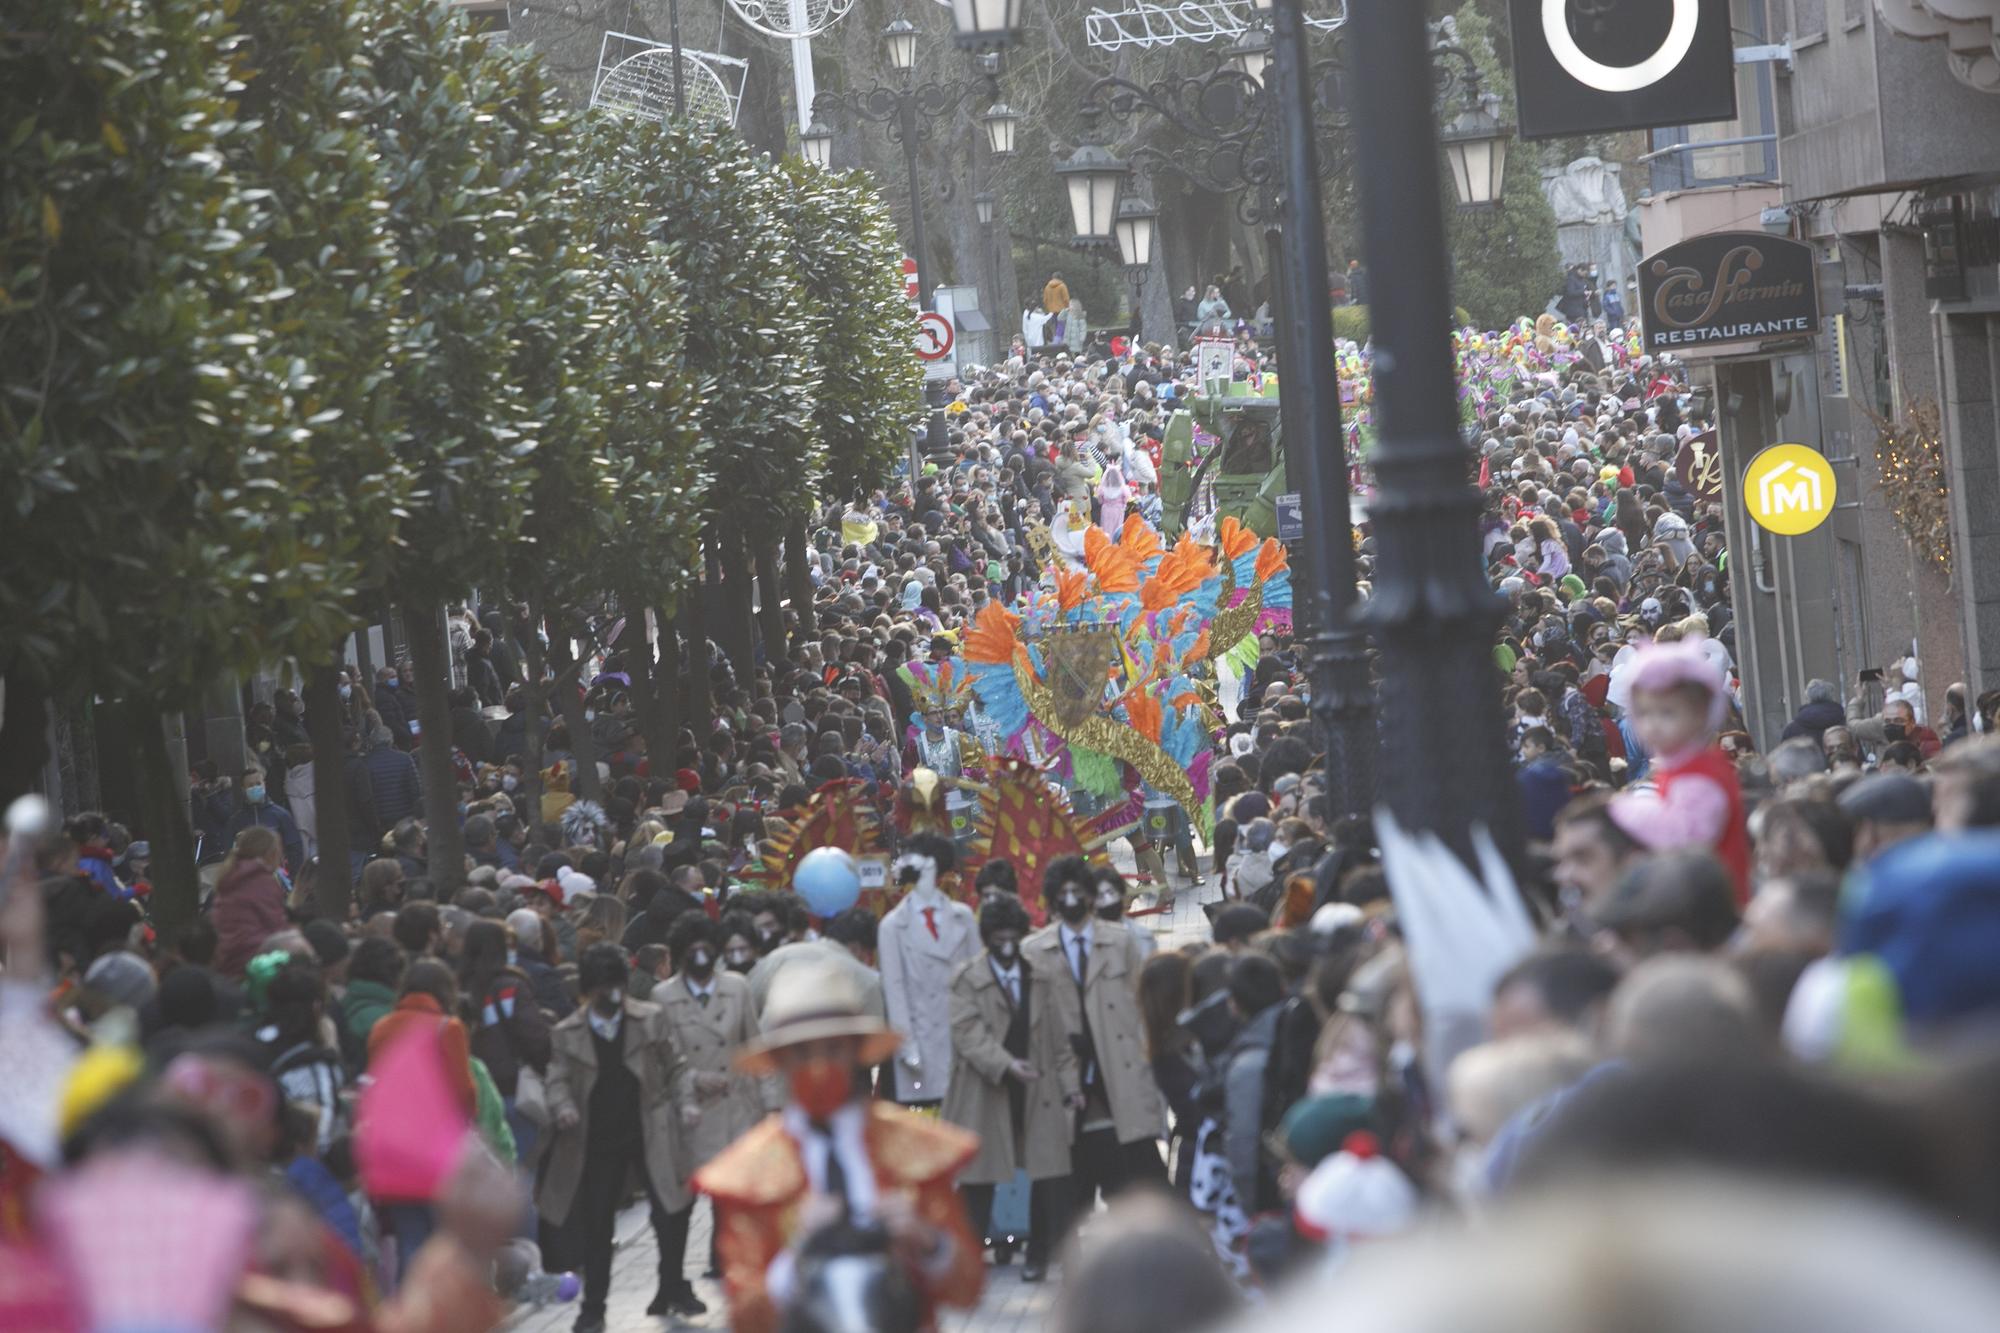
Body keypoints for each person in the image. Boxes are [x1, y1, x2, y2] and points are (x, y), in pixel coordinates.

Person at [695, 958, 985, 1333]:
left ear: (856, 1051)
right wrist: (797, 1250)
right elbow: (746, 1315)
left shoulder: (910, 1149)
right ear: (780, 1060)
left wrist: (927, 1240)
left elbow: (968, 1289)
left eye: (832, 1049)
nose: (818, 1067)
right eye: (802, 1052)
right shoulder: (754, 1172)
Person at [539, 943, 703, 1329]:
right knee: (598, 1226)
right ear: (588, 991)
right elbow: (556, 1078)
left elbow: (676, 1067)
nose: (612, 997)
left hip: (650, 1130)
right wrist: (562, 1105)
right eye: (603, 990)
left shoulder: (650, 1019)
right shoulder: (567, 1033)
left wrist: (687, 1103)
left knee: (671, 1213)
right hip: (596, 1140)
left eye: (617, 987)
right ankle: (593, 1308)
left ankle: (672, 1288)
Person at [1025, 854, 1166, 1248]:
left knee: (1137, 1157)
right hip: (1065, 1065)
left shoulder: (1120, 941)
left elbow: (1142, 1004)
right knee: (1068, 1161)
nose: (1071, 899)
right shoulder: (1034, 950)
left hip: (1118, 1063)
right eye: (1063, 893)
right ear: (1052, 900)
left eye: (1077, 891)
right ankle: (1053, 1245)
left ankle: (1156, 1236)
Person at [943, 894, 1079, 1280]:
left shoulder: (1041, 975)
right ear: (987, 938)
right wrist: (1004, 1065)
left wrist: (1071, 1085)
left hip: (1037, 1087)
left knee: (1048, 1174)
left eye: (1012, 937)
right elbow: (967, 1033)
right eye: (998, 938)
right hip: (985, 1091)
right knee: (978, 1181)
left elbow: (1059, 1037)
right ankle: (965, 1265)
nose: (1006, 945)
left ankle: (1040, 1255)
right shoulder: (966, 978)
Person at [657, 913, 765, 1287]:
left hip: (737, 1103)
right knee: (686, 1193)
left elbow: (755, 1045)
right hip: (692, 1108)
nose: (699, 954)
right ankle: (672, 1273)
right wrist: (692, 1079)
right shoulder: (664, 997)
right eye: (691, 947)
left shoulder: (737, 988)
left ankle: (725, 1257)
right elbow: (662, 1058)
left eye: (706, 946)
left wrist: (767, 1104)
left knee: (732, 1190)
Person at [1607, 643, 1750, 904]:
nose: (1652, 725)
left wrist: (1623, 809)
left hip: (1716, 908)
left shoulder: (1701, 775)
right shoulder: (1680, 766)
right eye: (1644, 713)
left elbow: (1684, 836)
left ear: (1701, 714)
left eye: (1667, 713)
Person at [878, 835, 979, 1107]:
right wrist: (907, 1046)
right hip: (921, 1041)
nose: (905, 861)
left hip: (965, 1038)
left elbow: (979, 979)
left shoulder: (963, 917)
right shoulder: (892, 926)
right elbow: (895, 991)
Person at [212, 825, 291, 980]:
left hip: (225, 958)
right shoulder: (262, 880)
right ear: (270, 853)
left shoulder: (230, 875)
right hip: (254, 960)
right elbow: (276, 927)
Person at [225, 764, 305, 872]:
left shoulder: (281, 815)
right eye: (250, 785)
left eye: (258, 784)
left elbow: (295, 850)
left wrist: (292, 879)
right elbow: (229, 854)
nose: (255, 788)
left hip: (277, 879)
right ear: (243, 789)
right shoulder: (236, 821)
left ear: (264, 784)